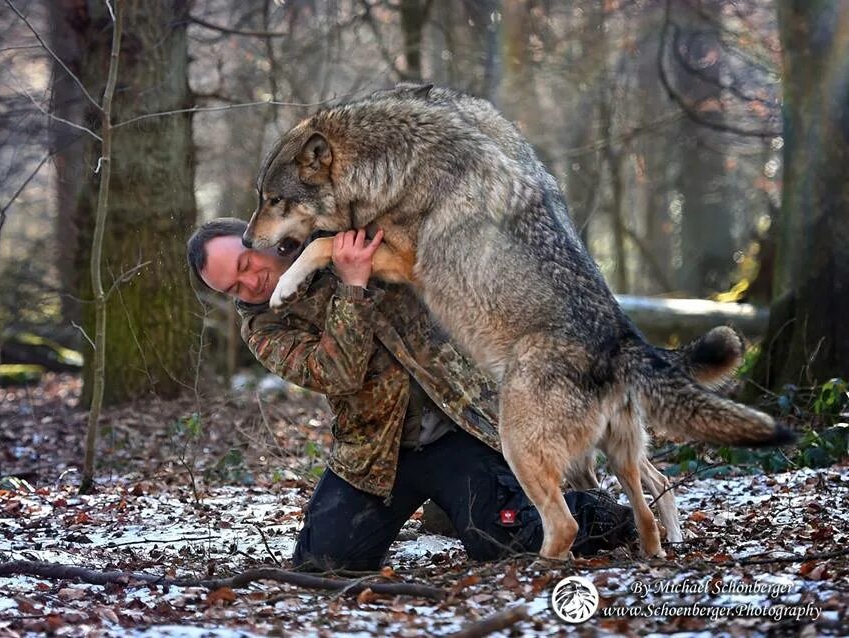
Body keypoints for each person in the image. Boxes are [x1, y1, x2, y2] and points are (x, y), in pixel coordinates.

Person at [187, 217, 636, 570]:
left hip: (459, 424)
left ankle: (602, 512)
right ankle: (447, 508)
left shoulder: (339, 233)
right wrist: (352, 285)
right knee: (323, 564)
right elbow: (337, 373)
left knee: (503, 541)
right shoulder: (264, 325)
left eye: (246, 266)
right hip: (374, 452)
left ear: (259, 237)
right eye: (233, 288)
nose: (250, 285)